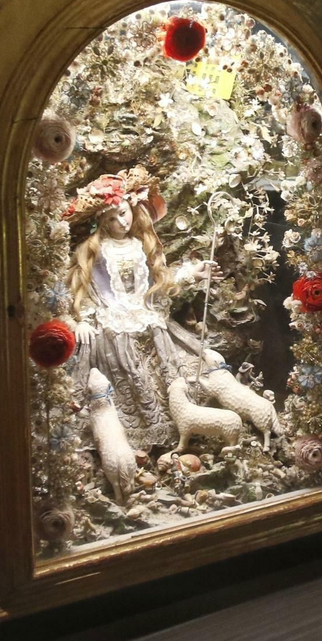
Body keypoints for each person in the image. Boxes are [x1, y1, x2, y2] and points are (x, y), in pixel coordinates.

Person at [66, 166, 217, 450]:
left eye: (122, 213)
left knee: (175, 375)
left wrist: (190, 274)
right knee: (127, 381)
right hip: (112, 328)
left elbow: (158, 284)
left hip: (149, 321)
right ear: (101, 223)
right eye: (111, 219)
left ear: (132, 208)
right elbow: (84, 288)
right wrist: (82, 319)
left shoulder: (141, 245)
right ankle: (134, 443)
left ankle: (185, 431)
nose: (120, 223)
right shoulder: (92, 250)